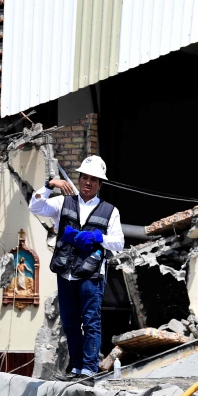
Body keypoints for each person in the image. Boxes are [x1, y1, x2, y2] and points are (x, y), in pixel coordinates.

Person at [29, 155, 124, 379]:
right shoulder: (63, 202)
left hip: (91, 276)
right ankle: (76, 367)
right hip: (66, 274)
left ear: (100, 184)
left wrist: (96, 238)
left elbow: (119, 242)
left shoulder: (110, 211)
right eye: (84, 177)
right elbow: (35, 205)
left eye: (93, 179)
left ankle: (89, 369)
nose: (87, 182)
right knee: (70, 323)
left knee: (91, 323)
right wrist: (49, 185)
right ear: (79, 179)